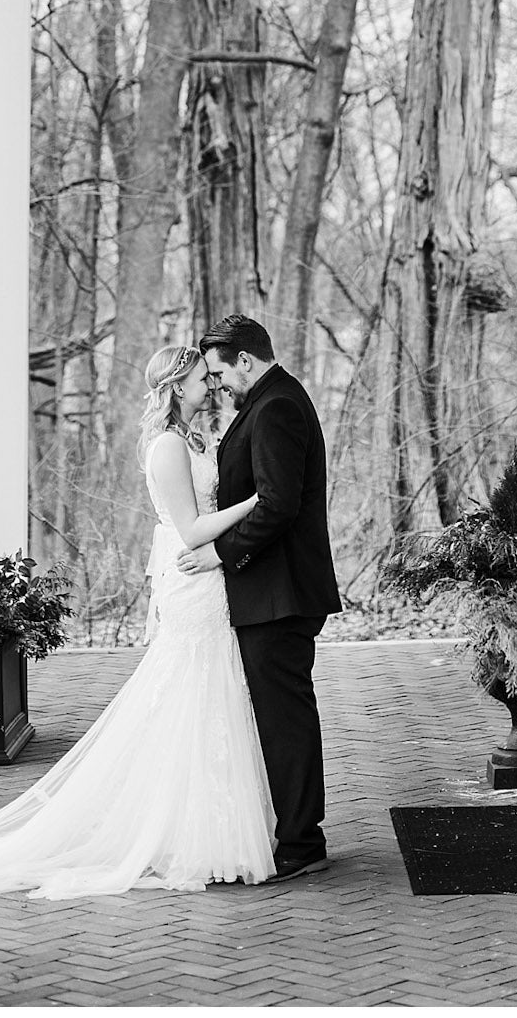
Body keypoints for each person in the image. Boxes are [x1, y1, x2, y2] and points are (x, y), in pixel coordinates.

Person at [0, 346, 276, 900]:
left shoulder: (200, 437)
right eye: (204, 379)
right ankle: (191, 836)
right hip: (193, 579)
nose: (214, 386)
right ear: (178, 387)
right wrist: (257, 503)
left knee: (215, 697)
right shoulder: (167, 448)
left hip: (211, 581)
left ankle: (211, 828)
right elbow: (193, 527)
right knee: (193, 694)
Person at [178, 313, 342, 880]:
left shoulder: (275, 407)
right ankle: (297, 833)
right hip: (272, 591)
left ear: (244, 360)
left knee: (285, 719)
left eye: (221, 375)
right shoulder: (270, 400)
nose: (218, 387)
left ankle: (301, 842)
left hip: (281, 592)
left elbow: (277, 504)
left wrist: (220, 554)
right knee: (280, 716)